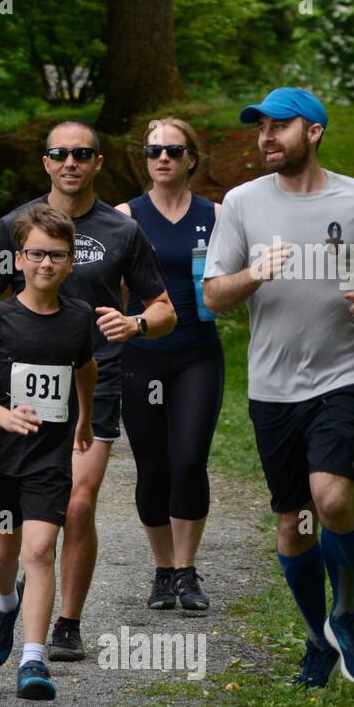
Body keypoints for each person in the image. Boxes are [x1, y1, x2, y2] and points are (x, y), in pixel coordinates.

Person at [203, 87, 354, 687]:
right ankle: (316, 636)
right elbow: (214, 295)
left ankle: (346, 613)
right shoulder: (241, 203)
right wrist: (254, 274)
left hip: (344, 374)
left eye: (280, 126)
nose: (266, 137)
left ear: (315, 131)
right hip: (273, 384)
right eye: (260, 128)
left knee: (332, 499)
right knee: (294, 521)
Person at [0, 121, 176, 663]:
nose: (70, 162)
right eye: (59, 153)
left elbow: (165, 310)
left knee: (78, 505)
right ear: (45, 162)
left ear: (98, 162)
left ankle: (66, 622)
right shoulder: (15, 226)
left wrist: (135, 326)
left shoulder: (123, 231)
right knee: (10, 520)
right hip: (17, 391)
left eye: (82, 153)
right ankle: (10, 599)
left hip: (95, 378)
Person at [0, 205, 97, 701]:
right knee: (3, 553)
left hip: (48, 460)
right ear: (18, 259)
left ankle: (33, 660)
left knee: (39, 551)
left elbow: (85, 367)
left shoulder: (79, 319)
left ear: (71, 262)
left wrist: (84, 416)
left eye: (57, 256)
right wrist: (1, 415)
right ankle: (3, 600)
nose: (46, 264)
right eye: (36, 254)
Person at [116, 117, 224, 612]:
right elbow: (110, 291)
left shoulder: (217, 215)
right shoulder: (124, 217)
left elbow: (230, 284)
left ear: (191, 159)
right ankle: (161, 570)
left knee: (188, 460)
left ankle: (187, 568)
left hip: (197, 352)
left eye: (173, 151)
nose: (162, 159)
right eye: (153, 151)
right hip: (140, 353)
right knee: (153, 467)